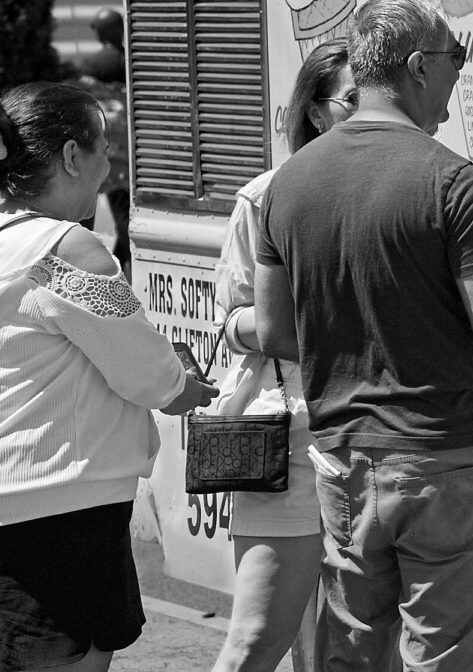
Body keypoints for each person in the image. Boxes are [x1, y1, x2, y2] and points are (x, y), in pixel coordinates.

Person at [255, 0, 473, 672]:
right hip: (445, 460)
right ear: (415, 67)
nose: (457, 77)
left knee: (355, 657)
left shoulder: (286, 187)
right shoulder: (453, 182)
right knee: (444, 658)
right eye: (454, 60)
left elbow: (273, 329)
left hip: (343, 462)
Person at [0, 82, 217, 672]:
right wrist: (185, 382)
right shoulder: (68, 251)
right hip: (52, 511)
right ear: (72, 156)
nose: (112, 162)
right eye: (104, 145)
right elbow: (151, 378)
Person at [209, 39, 357, 672]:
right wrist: (285, 327)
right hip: (291, 443)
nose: (371, 111)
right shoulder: (264, 197)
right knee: (259, 638)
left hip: (378, 440)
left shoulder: (417, 184)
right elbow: (233, 322)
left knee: (348, 647)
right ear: (317, 112)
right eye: (353, 100)